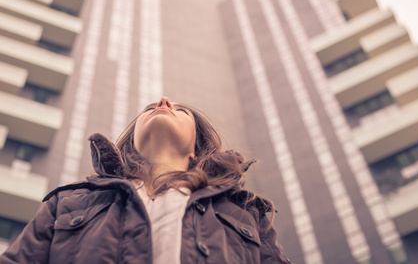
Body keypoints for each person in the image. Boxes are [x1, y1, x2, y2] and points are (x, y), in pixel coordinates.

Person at [0, 97, 290, 264]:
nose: (163, 102)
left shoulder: (246, 213)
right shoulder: (66, 204)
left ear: (194, 148)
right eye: (150, 107)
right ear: (133, 143)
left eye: (181, 110)